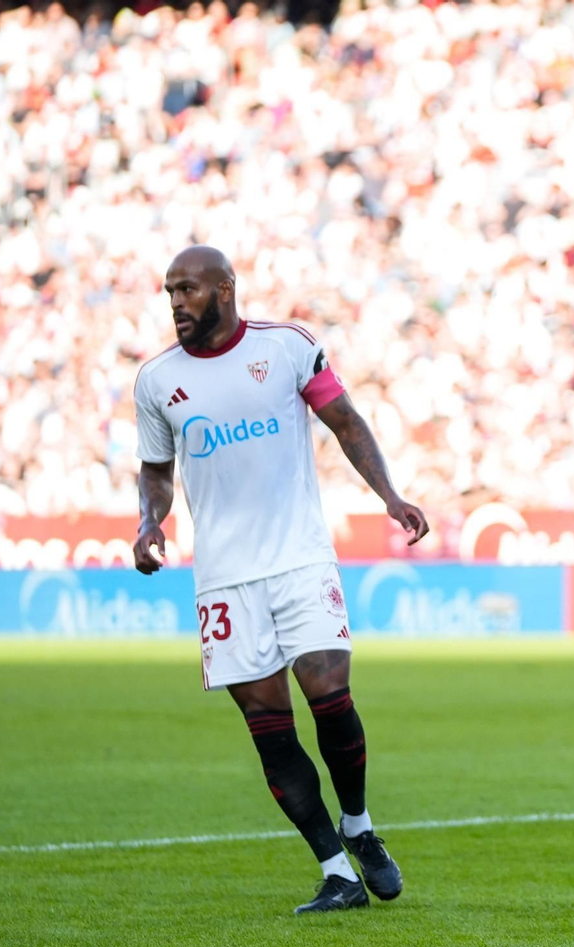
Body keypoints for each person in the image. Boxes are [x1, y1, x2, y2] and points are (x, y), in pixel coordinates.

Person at [131, 246, 430, 913]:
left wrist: (389, 494)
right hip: (224, 579)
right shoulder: (156, 381)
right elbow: (156, 469)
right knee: (269, 725)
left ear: (225, 289)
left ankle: (360, 826)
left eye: (187, 289)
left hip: (299, 557)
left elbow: (345, 420)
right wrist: (149, 523)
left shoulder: (289, 347)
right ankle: (336, 870)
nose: (176, 302)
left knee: (329, 689)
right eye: (169, 291)